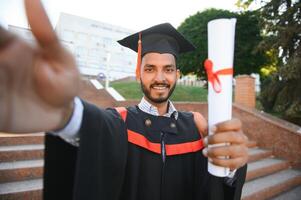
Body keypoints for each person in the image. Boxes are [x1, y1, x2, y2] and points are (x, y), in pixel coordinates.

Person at [0, 1, 248, 200]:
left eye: (168, 69)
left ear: (178, 75)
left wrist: (230, 167)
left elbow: (212, 190)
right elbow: (90, 130)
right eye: (150, 68)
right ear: (139, 72)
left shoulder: (196, 129)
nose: (159, 77)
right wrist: (63, 113)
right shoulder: (119, 121)